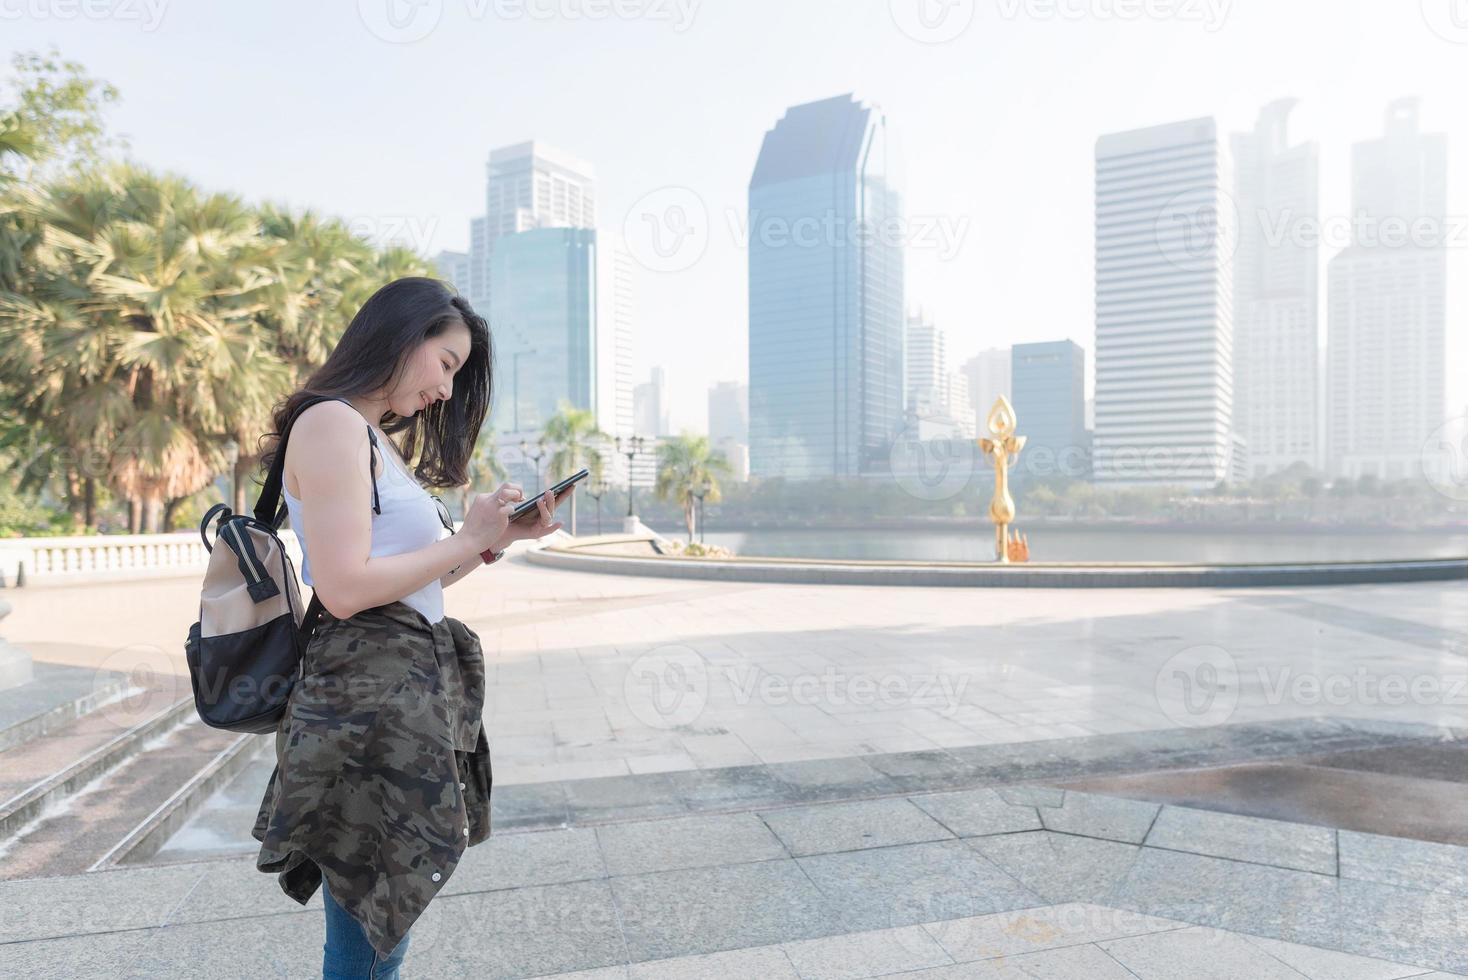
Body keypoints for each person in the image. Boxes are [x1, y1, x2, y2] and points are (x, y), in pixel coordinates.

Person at [251, 277, 571, 978]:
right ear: (403, 335)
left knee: (378, 927)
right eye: (447, 364)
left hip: (384, 705)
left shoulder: (368, 436)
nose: (448, 391)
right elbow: (341, 588)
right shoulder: (332, 424)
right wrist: (466, 539)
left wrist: (495, 540)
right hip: (362, 710)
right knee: (371, 929)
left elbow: (405, 584)